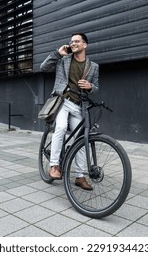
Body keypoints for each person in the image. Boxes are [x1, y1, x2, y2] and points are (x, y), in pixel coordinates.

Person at [40, 32, 99, 190]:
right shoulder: (63, 60)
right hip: (62, 101)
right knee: (60, 127)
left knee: (81, 139)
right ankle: (54, 165)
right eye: (71, 41)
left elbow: (96, 87)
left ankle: (80, 176)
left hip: (79, 106)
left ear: (84, 45)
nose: (73, 43)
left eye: (77, 41)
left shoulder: (93, 66)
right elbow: (43, 67)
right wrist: (57, 54)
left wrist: (90, 87)